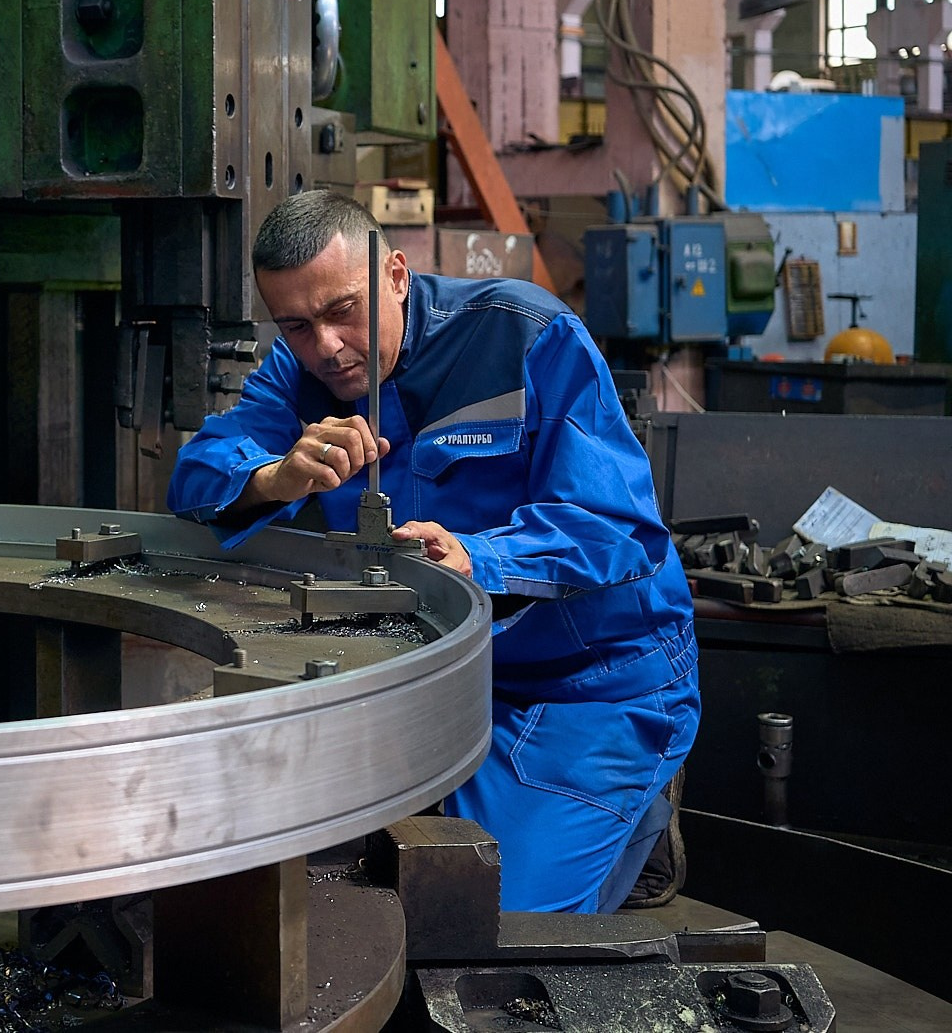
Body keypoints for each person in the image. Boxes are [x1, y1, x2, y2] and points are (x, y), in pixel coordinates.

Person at [168, 190, 698, 913]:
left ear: (394, 274)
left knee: (489, 920)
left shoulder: (525, 337)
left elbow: (617, 525)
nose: (325, 345)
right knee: (308, 886)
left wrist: (481, 557)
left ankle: (637, 818)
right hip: (433, 676)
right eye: (295, 324)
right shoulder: (300, 375)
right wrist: (275, 475)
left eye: (342, 311)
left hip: (589, 682)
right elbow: (196, 475)